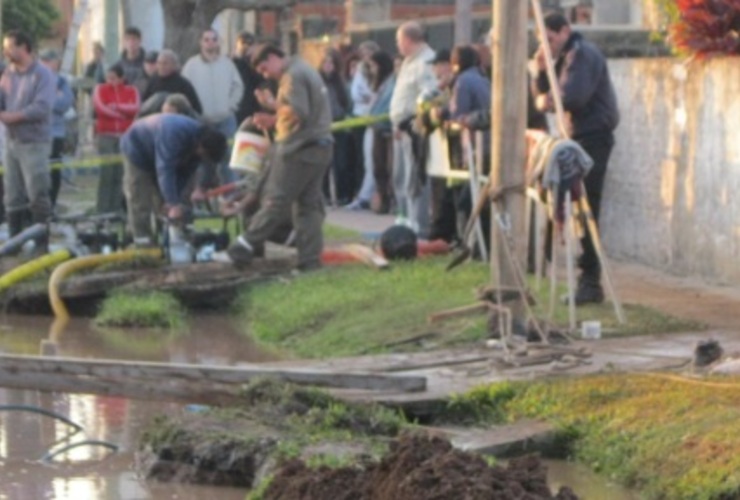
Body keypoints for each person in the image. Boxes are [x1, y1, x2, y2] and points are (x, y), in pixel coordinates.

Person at [530, 11, 619, 305]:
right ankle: (581, 277)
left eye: (551, 39)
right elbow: (548, 95)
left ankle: (590, 282)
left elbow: (570, 97)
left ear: (565, 31)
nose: (548, 45)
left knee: (587, 208)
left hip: (593, 138)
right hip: (578, 138)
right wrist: (541, 71)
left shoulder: (581, 54)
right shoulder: (567, 56)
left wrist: (545, 100)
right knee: (578, 207)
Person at [220, 44, 333, 272]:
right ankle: (309, 262)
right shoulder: (305, 68)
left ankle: (243, 246)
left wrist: (272, 112)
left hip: (298, 148)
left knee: (275, 199)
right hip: (321, 145)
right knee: (308, 206)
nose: (265, 74)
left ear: (273, 57)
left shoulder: (292, 76)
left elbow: (297, 113)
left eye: (264, 68)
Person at [120, 113, 227, 246]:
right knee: (139, 197)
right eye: (205, 155)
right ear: (201, 146)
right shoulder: (174, 133)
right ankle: (142, 241)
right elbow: (165, 169)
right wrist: (173, 203)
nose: (203, 158)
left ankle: (168, 239)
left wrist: (172, 200)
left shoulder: (198, 149)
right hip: (137, 148)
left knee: (166, 202)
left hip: (159, 152)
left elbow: (183, 174)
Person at [0, 30, 56, 249]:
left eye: (9, 47)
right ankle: (15, 241)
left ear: (24, 48)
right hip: (11, 142)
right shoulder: (7, 74)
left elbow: (41, 108)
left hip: (34, 143)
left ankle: (41, 242)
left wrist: (10, 117)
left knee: (37, 192)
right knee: (12, 194)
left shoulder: (43, 75)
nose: (6, 51)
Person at [390, 21, 437, 238]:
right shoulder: (410, 61)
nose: (398, 45)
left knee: (413, 177)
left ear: (409, 40)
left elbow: (427, 96)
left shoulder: (426, 62)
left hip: (412, 129)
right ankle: (404, 217)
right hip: (400, 128)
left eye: (399, 40)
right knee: (400, 175)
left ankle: (417, 224)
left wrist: (409, 123)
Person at [182, 28, 244, 185]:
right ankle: (200, 197)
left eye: (214, 39)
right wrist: (193, 111)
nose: (210, 43)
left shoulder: (227, 64)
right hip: (201, 121)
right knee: (202, 161)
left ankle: (230, 198)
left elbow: (238, 86)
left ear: (218, 42)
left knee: (229, 160)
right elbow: (184, 90)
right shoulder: (191, 65)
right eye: (206, 39)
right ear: (201, 43)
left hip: (225, 120)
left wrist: (230, 106)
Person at [93, 64, 140, 214]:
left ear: (122, 78)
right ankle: (103, 208)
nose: (110, 81)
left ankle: (117, 207)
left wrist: (116, 106)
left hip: (125, 135)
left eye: (113, 78)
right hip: (106, 135)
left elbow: (136, 108)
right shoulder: (100, 89)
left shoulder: (132, 91)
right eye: (108, 78)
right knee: (107, 173)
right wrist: (121, 113)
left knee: (121, 173)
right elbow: (101, 108)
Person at [39, 48, 75, 210]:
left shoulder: (61, 81)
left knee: (54, 171)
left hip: (56, 133)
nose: (47, 64)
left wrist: (47, 101)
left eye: (50, 61)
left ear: (56, 63)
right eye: (43, 61)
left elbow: (65, 103)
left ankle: (52, 204)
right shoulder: (34, 80)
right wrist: (53, 97)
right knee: (37, 172)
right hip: (37, 134)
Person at [318, 49, 351, 205]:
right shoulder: (316, 82)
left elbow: (346, 103)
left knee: (341, 163)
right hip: (322, 126)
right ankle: (324, 195)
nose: (328, 66)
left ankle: (342, 194)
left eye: (331, 63)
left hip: (339, 123)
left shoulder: (340, 83)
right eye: (325, 62)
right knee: (324, 164)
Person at [367, 50, 396, 215]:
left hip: (388, 129)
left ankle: (389, 199)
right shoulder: (379, 84)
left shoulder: (391, 82)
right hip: (377, 127)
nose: (371, 70)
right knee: (378, 166)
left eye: (373, 66)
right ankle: (383, 198)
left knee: (388, 166)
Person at [141, 49, 202, 115]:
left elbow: (197, 110)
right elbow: (144, 104)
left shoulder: (183, 84)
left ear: (174, 65)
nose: (161, 66)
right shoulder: (153, 81)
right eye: (159, 63)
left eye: (165, 63)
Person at [232, 31, 266, 124]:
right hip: (238, 110)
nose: (246, 47)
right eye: (243, 44)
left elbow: (262, 80)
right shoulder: (233, 64)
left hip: (254, 109)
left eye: (249, 44)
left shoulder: (257, 64)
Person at [115, 27, 147, 95]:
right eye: (127, 39)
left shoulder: (148, 63)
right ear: (123, 42)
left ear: (140, 41)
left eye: (134, 39)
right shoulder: (118, 66)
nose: (131, 43)